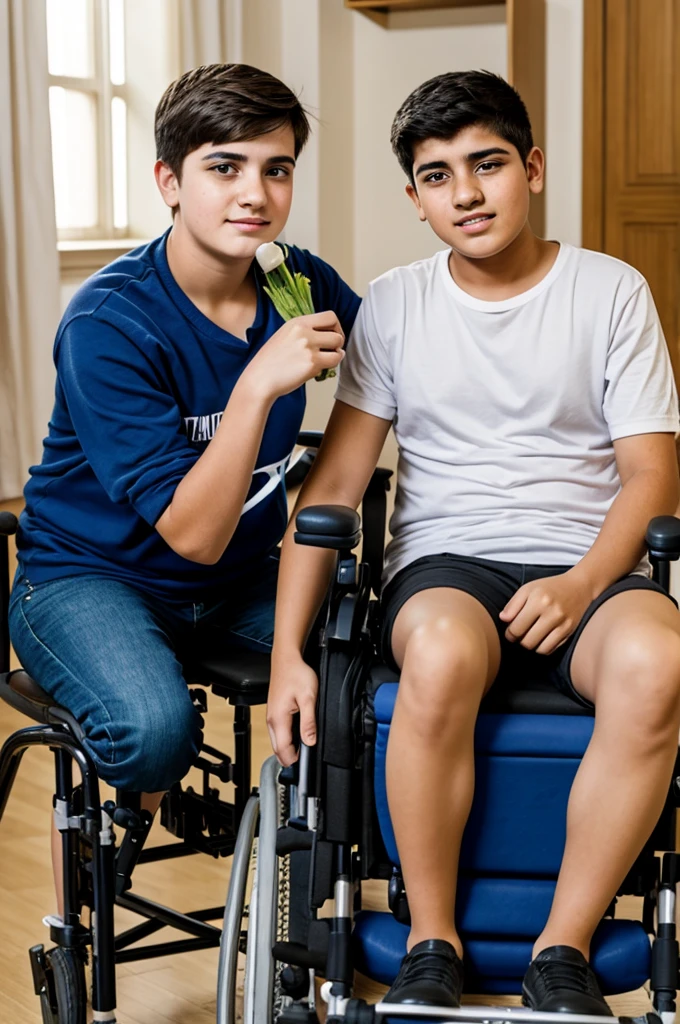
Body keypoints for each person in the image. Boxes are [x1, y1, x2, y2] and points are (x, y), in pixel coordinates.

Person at [266, 70, 680, 1015]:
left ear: (531, 168)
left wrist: (580, 585)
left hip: (591, 559)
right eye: (439, 175)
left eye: (487, 164)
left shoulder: (612, 292)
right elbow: (333, 487)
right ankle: (431, 946)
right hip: (448, 562)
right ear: (415, 200)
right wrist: (289, 650)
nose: (468, 193)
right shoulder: (397, 304)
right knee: (445, 652)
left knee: (658, 661)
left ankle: (562, 953)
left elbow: (652, 478)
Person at [9, 63, 360, 913]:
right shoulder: (109, 323)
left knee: (368, 680)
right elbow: (191, 533)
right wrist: (254, 387)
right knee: (153, 730)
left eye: (276, 168)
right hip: (89, 577)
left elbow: (398, 372)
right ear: (169, 180)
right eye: (225, 166)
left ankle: (319, 916)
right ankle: (135, 801)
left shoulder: (294, 281)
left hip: (236, 576)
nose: (256, 192)